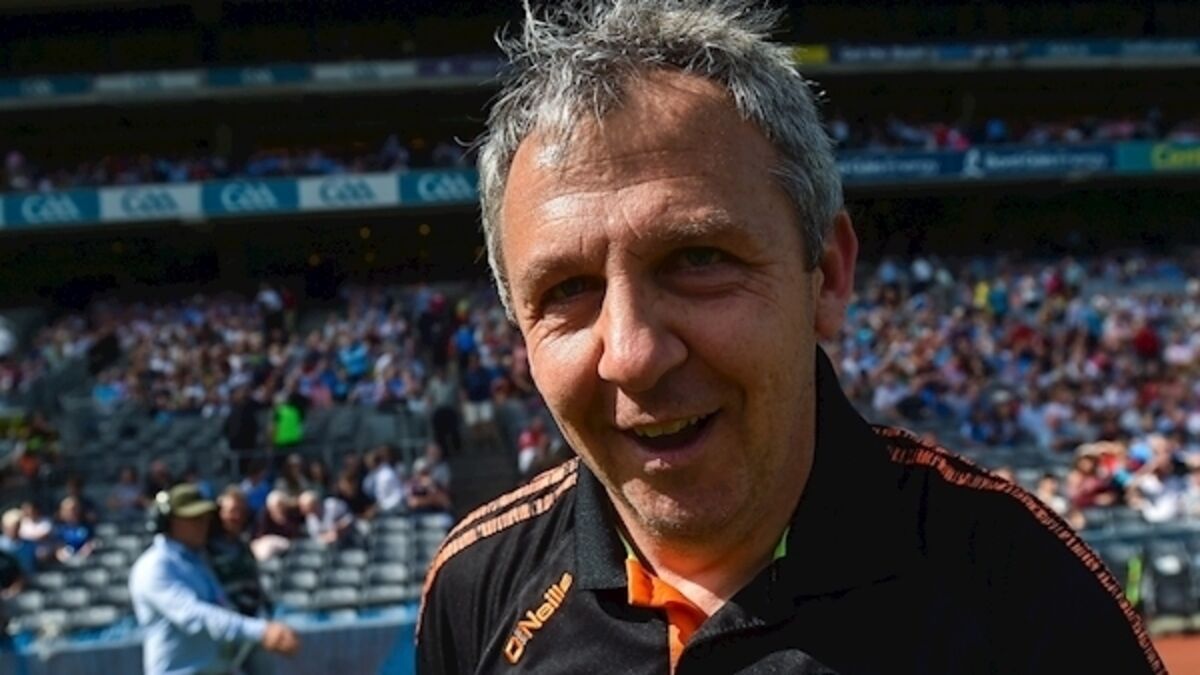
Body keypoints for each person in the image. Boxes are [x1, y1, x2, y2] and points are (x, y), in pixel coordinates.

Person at [416, 3, 1165, 674]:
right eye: (566, 290)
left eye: (698, 259)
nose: (633, 353)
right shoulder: (474, 587)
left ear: (827, 277)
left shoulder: (1025, 591)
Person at [129, 483, 300, 675]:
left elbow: (222, 607)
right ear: (169, 522)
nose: (203, 524)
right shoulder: (156, 565)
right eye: (193, 518)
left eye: (205, 518)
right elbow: (193, 616)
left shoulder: (198, 560)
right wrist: (261, 631)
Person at [208, 487, 275, 675]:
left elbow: (255, 583)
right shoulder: (206, 550)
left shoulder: (243, 546)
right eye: (231, 511)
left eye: (241, 511)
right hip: (224, 631)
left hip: (251, 626)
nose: (236, 516)